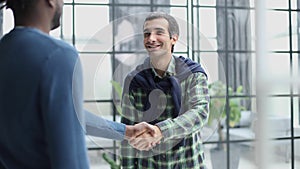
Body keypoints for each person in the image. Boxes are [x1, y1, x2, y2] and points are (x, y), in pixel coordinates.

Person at [0, 1, 156, 169]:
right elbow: (71, 160)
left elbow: (68, 113)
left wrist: (125, 131)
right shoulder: (58, 55)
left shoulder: (5, 49)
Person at [120, 12, 210, 169]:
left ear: (173, 38)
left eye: (159, 32)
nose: (151, 38)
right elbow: (128, 133)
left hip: (188, 163)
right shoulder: (133, 80)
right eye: (147, 34)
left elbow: (200, 112)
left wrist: (160, 131)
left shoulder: (193, 74)